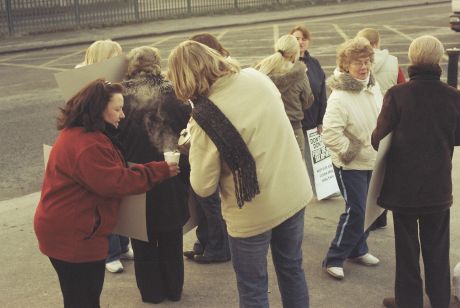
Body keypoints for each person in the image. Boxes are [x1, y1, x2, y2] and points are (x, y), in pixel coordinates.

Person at [167, 40, 312, 308]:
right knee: (292, 270)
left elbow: (203, 186)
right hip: (292, 191)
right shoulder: (256, 77)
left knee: (253, 286)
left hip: (252, 210)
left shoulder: (204, 116)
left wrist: (193, 148)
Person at [34, 79, 179, 308]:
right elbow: (116, 182)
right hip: (75, 235)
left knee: (78, 296)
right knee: (84, 298)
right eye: (117, 109)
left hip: (67, 228)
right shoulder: (89, 144)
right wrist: (157, 170)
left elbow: (111, 173)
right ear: (97, 108)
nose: (122, 115)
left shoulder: (81, 132)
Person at [371, 35, 460, 308]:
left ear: (411, 59)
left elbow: (378, 139)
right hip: (437, 186)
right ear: (440, 59)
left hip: (404, 188)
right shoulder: (453, 96)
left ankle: (408, 301)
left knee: (407, 250)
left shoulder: (398, 94)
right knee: (438, 248)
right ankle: (441, 300)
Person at [118, 46, 191, 304]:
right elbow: (187, 123)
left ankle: (151, 293)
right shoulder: (171, 92)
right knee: (171, 235)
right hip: (169, 170)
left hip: (135, 174)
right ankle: (173, 289)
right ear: (157, 64)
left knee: (142, 239)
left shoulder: (121, 95)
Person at [321, 37, 382, 280]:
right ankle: (334, 258)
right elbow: (330, 134)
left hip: (374, 160)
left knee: (369, 210)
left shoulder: (373, 86)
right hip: (350, 164)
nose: (364, 67)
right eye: (358, 62)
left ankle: (358, 249)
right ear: (346, 65)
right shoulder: (339, 97)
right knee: (356, 210)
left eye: (367, 61)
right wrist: (352, 151)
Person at [75, 38, 133, 273]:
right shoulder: (84, 83)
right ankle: (109, 253)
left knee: (119, 193)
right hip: (96, 143)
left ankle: (122, 244)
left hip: (115, 139)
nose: (121, 60)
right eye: (116, 55)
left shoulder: (114, 80)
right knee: (102, 198)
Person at [182, 33, 231, 264]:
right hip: (202, 141)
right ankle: (204, 243)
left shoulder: (221, 76)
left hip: (213, 146)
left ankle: (219, 249)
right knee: (201, 201)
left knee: (209, 200)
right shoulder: (208, 73)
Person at [356, 28, 406, 230]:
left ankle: (368, 218)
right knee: (384, 172)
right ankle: (381, 217)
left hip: (365, 121)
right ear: (377, 42)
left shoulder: (355, 64)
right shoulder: (393, 62)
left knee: (367, 172)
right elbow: (402, 86)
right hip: (390, 123)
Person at [255, 34, 314, 157]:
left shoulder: (261, 72)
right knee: (296, 171)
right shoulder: (300, 75)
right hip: (294, 129)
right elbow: (308, 100)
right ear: (294, 54)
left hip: (269, 130)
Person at [290, 25, 327, 197]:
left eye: (303, 39)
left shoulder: (314, 63)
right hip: (294, 121)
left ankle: (321, 189)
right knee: (296, 159)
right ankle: (296, 192)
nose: (300, 42)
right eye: (296, 38)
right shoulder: (289, 65)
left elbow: (321, 93)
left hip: (312, 120)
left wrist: (321, 120)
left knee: (315, 159)